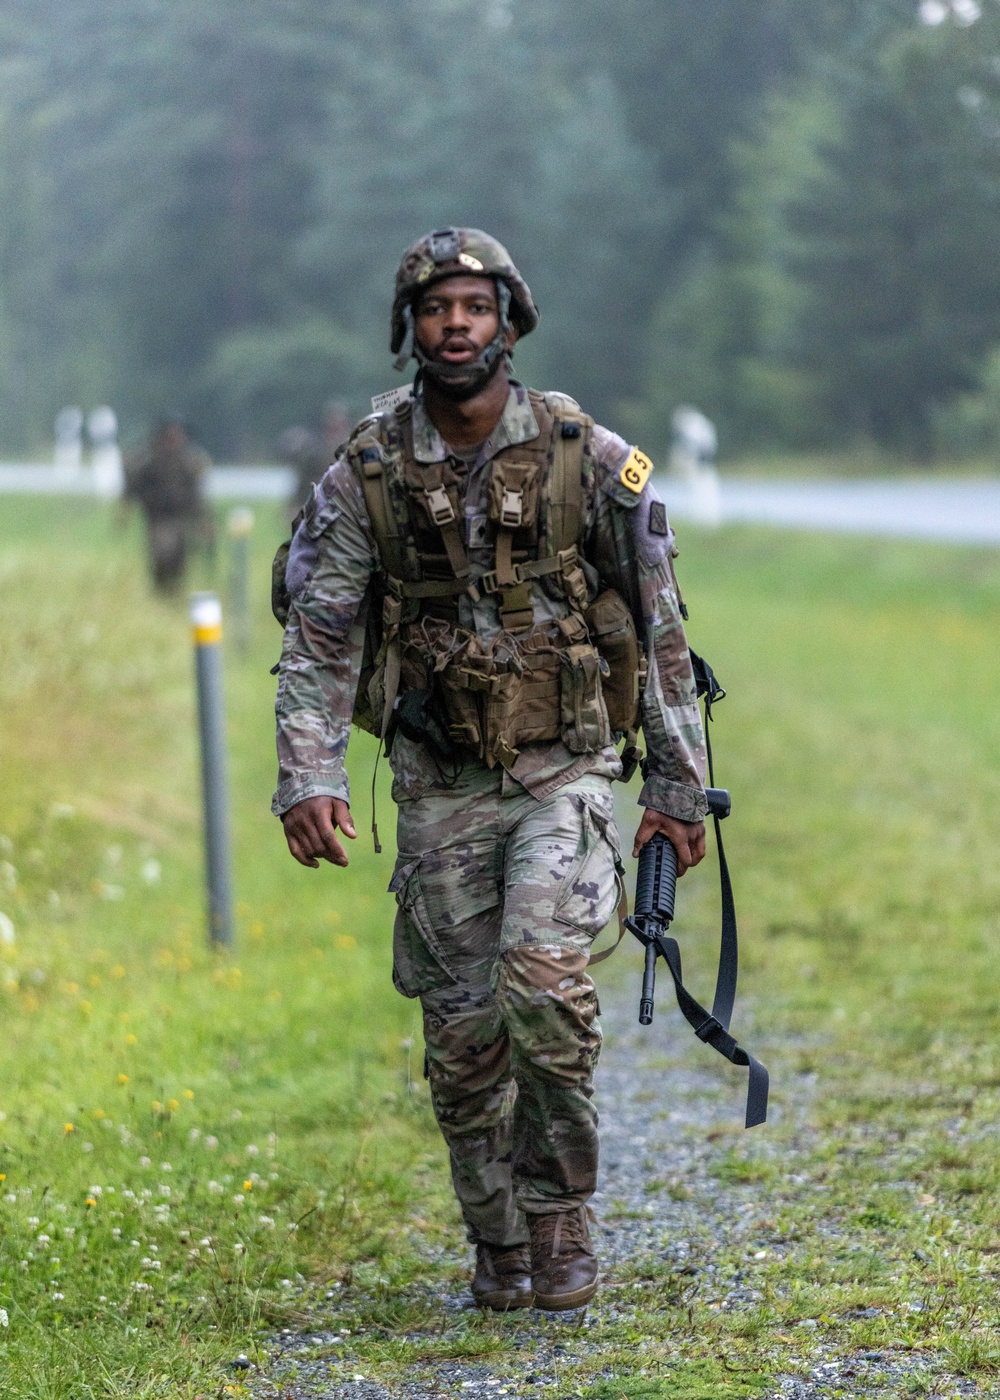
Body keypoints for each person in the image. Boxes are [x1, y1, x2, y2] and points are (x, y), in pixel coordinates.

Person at [271, 228, 708, 1311]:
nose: (456, 323)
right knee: (462, 1035)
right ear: (408, 328)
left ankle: (562, 1222)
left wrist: (674, 788)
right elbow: (319, 635)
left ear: (509, 320)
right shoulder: (366, 472)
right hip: (436, 781)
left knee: (545, 989)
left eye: (476, 305)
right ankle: (497, 1239)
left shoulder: (586, 455)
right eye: (436, 307)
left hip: (561, 767)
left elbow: (658, 628)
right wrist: (309, 774)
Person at [123, 419, 213, 592]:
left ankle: (173, 590)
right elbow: (132, 484)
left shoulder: (189, 461)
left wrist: (205, 520)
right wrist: (126, 508)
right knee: (161, 553)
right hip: (158, 517)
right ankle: (162, 589)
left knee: (180, 556)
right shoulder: (148, 459)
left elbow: (198, 494)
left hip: (181, 516)